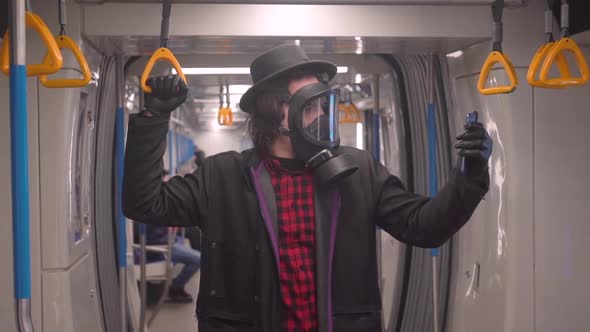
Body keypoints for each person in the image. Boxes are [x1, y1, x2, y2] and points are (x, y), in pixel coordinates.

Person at [123, 44, 492, 331]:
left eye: (323, 103)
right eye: (308, 105)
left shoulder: (358, 171)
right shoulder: (222, 176)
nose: (321, 114)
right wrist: (154, 119)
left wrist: (469, 177)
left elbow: (424, 227)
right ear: (274, 109)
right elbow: (144, 204)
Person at [133, 170, 202, 303]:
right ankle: (176, 288)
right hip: (160, 247)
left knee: (192, 230)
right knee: (198, 259)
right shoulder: (149, 204)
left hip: (166, 240)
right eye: (165, 179)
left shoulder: (150, 199)